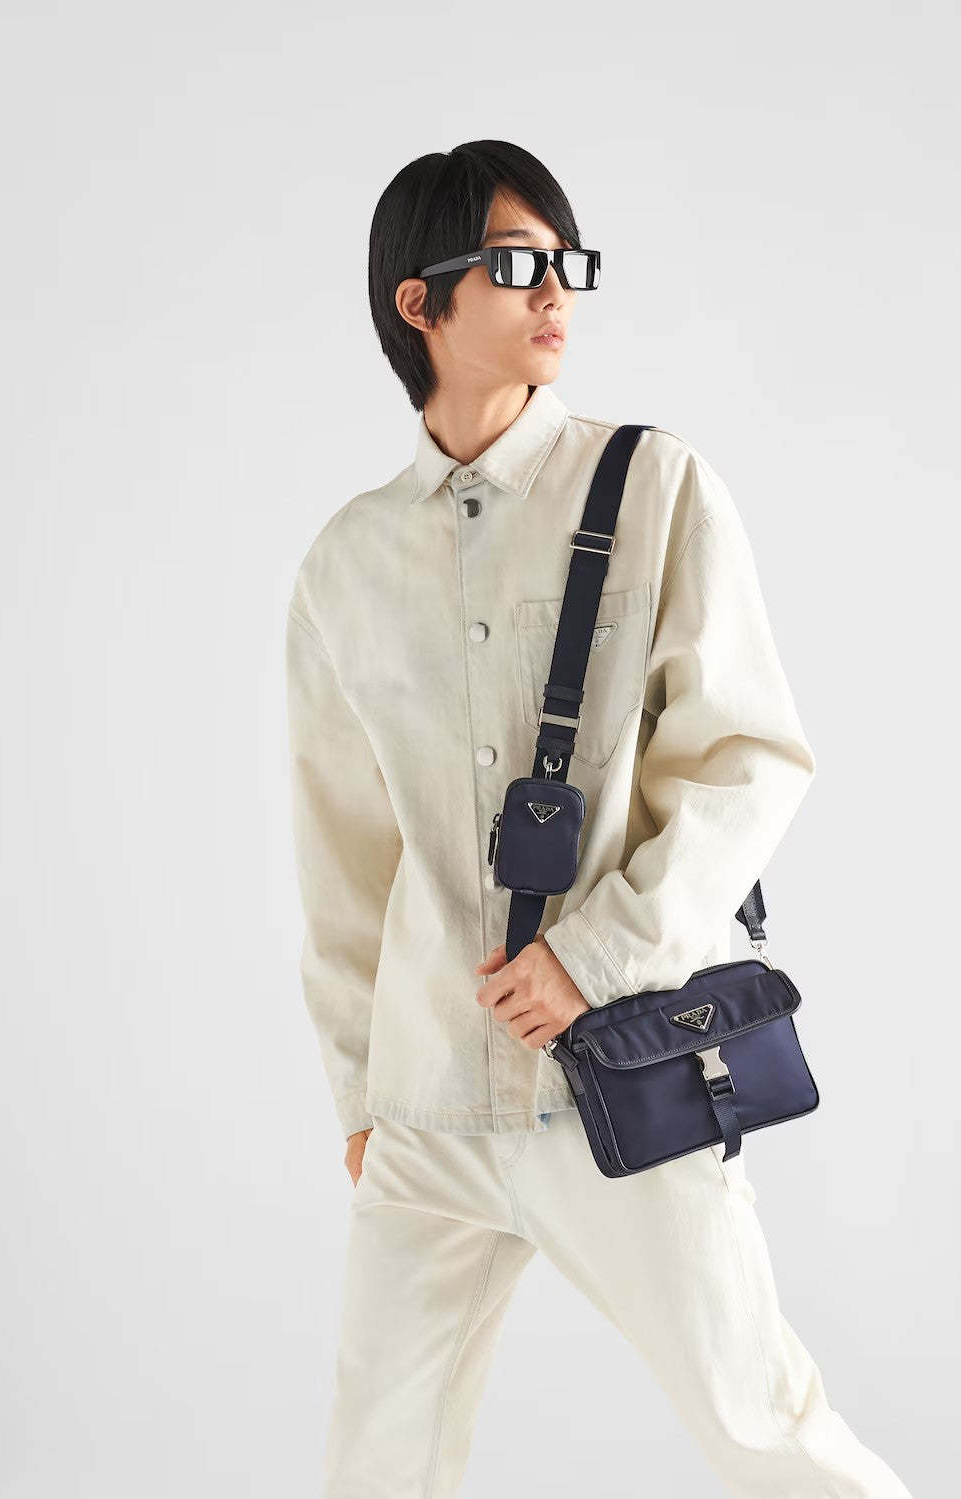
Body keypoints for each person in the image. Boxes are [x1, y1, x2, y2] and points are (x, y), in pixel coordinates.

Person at [285, 139, 915, 1498]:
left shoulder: (652, 487)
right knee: (376, 1465)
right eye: (518, 263)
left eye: (568, 262)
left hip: (614, 1075)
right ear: (418, 301)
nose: (555, 291)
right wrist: (360, 1091)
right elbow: (345, 860)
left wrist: (597, 956)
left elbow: (750, 761)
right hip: (428, 1106)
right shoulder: (346, 563)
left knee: (762, 1428)